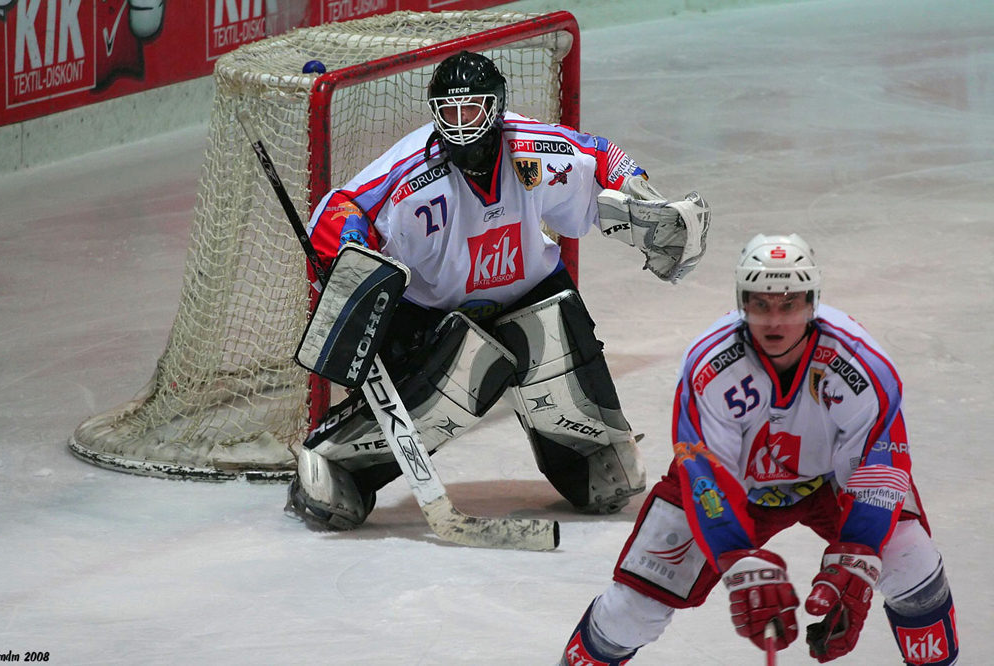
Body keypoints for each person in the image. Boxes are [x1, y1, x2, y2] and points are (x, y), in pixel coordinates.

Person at [285, 50, 711, 530]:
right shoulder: (412, 173)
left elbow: (597, 155)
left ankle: (585, 454)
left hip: (529, 289)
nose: (462, 125)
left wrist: (636, 191)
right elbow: (340, 208)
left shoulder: (530, 152)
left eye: (473, 110)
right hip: (434, 312)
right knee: (454, 381)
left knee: (563, 356)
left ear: (497, 107)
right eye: (450, 112)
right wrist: (350, 248)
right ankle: (339, 459)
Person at [559, 233, 959, 665]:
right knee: (632, 610)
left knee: (912, 560)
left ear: (812, 303)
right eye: (760, 303)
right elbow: (706, 477)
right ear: (741, 302)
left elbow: (882, 463)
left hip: (830, 482)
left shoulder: (863, 362)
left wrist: (859, 553)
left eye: (789, 304)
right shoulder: (709, 365)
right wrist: (734, 554)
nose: (774, 321)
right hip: (728, 490)